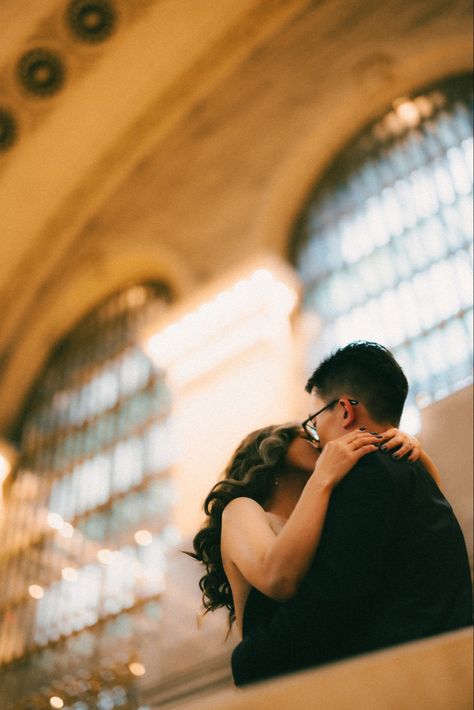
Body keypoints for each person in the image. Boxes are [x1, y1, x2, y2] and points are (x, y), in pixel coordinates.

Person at [230, 342, 472, 685]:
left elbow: (330, 603)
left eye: (314, 423)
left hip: (410, 676)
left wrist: (247, 661)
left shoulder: (370, 471)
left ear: (344, 411)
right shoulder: (397, 467)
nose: (316, 441)